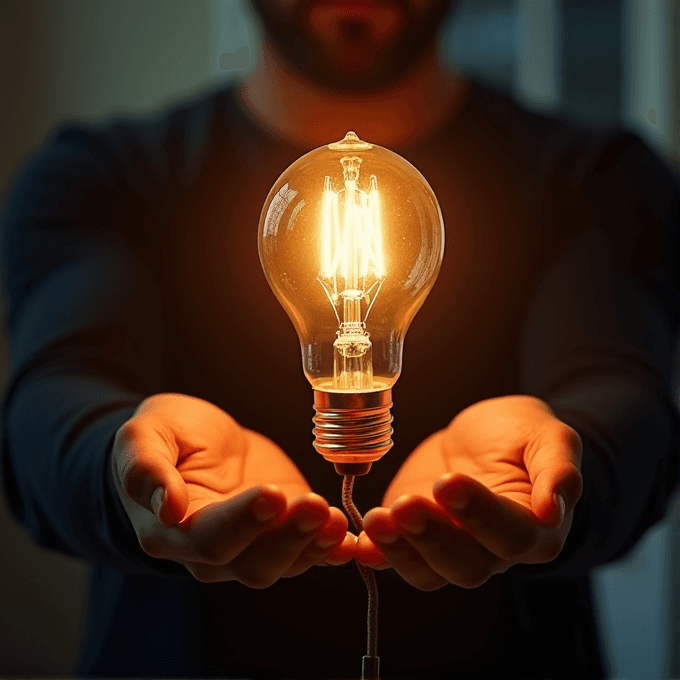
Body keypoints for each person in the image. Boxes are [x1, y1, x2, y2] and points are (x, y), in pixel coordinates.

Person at [1, 0, 678, 678]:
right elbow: (53, 395)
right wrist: (120, 464)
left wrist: (564, 464)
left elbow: (621, 391)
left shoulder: (599, 181)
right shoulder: (98, 181)